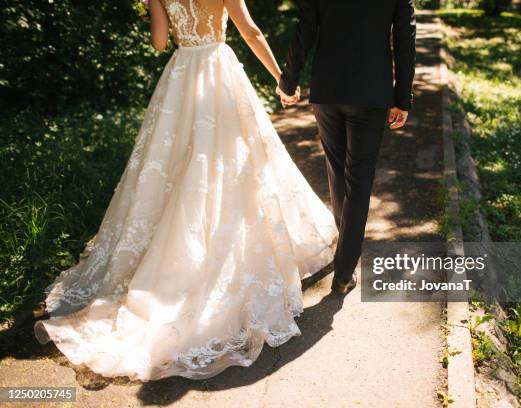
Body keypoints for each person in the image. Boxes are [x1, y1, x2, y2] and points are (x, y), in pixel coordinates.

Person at [33, 0, 337, 382]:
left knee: (174, 166)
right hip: (219, 73)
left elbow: (160, 44)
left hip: (182, 75)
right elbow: (250, 31)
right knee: (234, 160)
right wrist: (281, 76)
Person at [277, 0, 416, 294]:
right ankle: (344, 271)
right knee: (359, 178)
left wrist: (288, 81)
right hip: (370, 91)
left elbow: (306, 28)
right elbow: (405, 37)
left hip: (327, 88)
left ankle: (345, 252)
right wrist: (402, 97)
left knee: (338, 172)